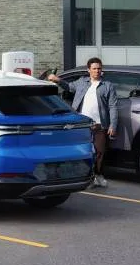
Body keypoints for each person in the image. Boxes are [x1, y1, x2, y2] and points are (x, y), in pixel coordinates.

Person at [47, 57, 117, 188]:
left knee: (99, 151)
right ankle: (87, 178)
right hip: (82, 125)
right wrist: (57, 80)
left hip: (99, 124)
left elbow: (113, 106)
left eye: (99, 69)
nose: (97, 71)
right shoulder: (82, 82)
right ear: (88, 70)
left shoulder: (107, 86)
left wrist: (113, 125)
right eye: (94, 68)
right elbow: (68, 87)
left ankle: (98, 175)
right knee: (83, 152)